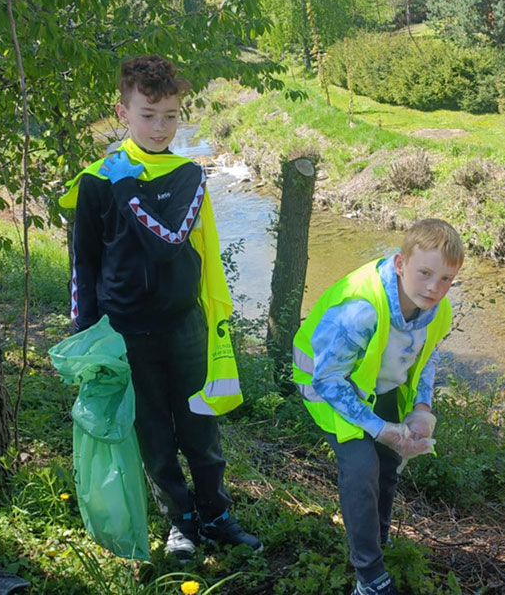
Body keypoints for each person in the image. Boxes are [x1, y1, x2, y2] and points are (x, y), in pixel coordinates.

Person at [59, 55, 261, 562]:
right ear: (123, 112)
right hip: (127, 332)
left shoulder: (188, 175)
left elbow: (168, 242)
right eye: (148, 115)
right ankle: (181, 522)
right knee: (152, 435)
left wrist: (129, 187)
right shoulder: (97, 181)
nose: (159, 127)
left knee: (200, 429)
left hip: (183, 325)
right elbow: (84, 261)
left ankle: (216, 514)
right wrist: (87, 334)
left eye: (170, 116)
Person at [292, 219, 464, 595]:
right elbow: (327, 379)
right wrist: (379, 428)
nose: (434, 288)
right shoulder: (362, 308)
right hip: (326, 385)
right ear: (401, 263)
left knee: (388, 461)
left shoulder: (438, 309)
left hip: (372, 385)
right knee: (361, 468)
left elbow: (426, 357)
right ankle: (369, 576)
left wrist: (422, 407)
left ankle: (379, 539)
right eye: (425, 273)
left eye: (446, 279)